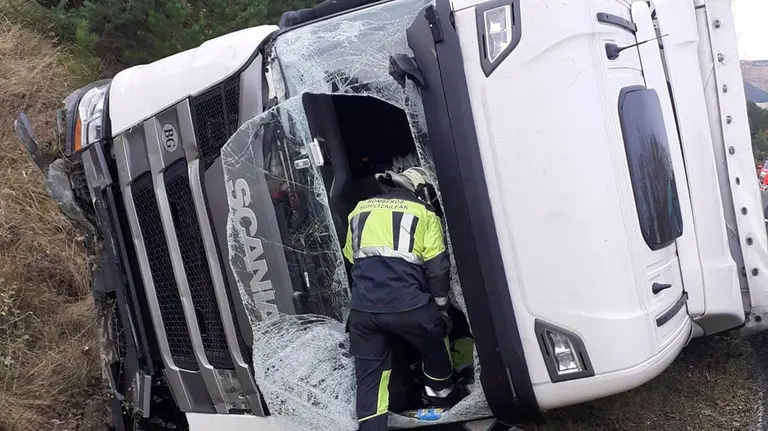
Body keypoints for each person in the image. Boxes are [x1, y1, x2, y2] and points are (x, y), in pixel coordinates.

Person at [343, 167, 466, 430]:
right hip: (411, 307)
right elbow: (437, 269)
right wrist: (442, 310)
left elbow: (352, 257)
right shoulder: (424, 214)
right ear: (421, 191)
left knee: (370, 382)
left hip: (363, 313)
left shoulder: (359, 210)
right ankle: (444, 409)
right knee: (435, 344)